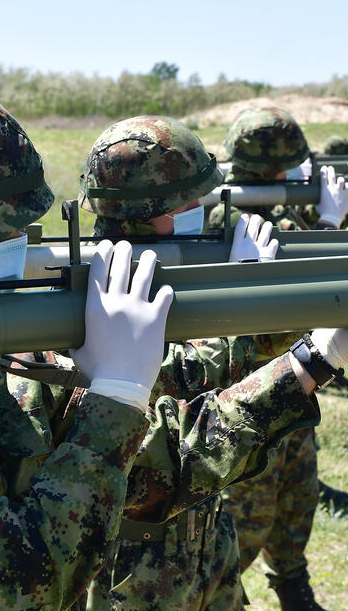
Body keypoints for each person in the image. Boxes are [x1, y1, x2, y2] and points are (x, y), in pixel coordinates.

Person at [0, 75, 325, 610]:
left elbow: (152, 476)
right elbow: (17, 586)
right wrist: (115, 397)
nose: (17, 245)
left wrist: (315, 360)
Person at [207, 107, 348, 609]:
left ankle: (293, 589)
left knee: (297, 495)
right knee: (246, 517)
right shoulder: (233, 216)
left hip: (292, 378)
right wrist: (333, 219)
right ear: (278, 166)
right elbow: (307, 283)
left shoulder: (270, 207)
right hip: (247, 386)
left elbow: (309, 245)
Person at [78, 115, 294, 610]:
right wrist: (244, 301)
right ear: (141, 212)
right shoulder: (98, 295)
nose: (200, 211)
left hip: (206, 539)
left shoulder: (175, 272)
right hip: (131, 566)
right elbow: (175, 383)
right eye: (186, 204)